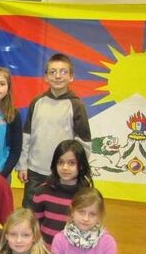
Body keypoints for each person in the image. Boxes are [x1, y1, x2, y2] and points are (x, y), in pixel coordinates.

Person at [16, 53, 92, 208]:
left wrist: (76, 168)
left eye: (63, 72)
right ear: (46, 77)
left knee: (60, 212)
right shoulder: (37, 102)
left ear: (71, 77)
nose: (58, 76)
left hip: (63, 173)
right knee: (31, 212)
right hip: (35, 171)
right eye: (53, 72)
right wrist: (23, 165)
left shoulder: (76, 105)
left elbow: (84, 142)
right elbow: (26, 136)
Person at [33, 140, 93, 246]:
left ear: (82, 166)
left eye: (71, 163)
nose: (65, 167)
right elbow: (35, 224)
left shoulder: (87, 196)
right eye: (60, 162)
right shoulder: (42, 192)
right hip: (47, 252)